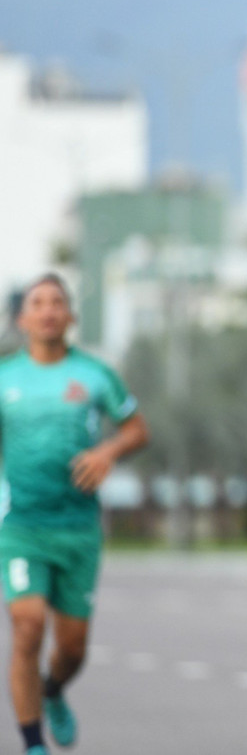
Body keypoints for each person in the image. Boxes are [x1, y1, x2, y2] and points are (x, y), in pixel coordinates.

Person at [0, 275, 149, 755]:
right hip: (20, 525)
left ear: (70, 316)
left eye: (56, 302)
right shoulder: (5, 379)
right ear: (22, 318)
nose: (47, 310)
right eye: (37, 303)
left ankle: (54, 690)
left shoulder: (95, 376)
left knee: (73, 649)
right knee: (27, 626)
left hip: (78, 529)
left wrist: (108, 452)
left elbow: (136, 429)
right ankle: (32, 744)